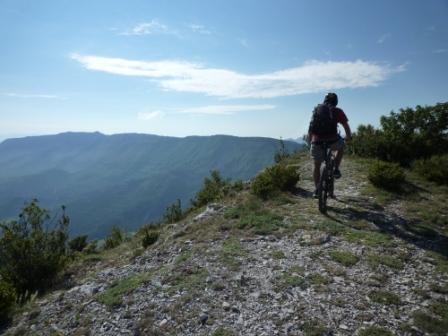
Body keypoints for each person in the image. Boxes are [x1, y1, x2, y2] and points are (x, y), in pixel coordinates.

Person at [307, 92, 352, 197]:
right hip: (333, 140)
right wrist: (348, 137)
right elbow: (345, 125)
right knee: (341, 147)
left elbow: (311, 127)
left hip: (317, 140)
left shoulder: (317, 110)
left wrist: (311, 141)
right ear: (336, 102)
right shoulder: (338, 111)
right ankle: (336, 168)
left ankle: (317, 189)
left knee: (316, 165)